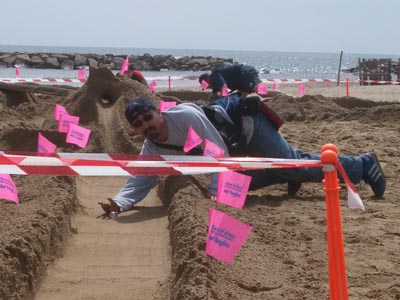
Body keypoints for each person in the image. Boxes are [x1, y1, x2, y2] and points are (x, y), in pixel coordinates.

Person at [98, 95, 386, 217]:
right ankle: (283, 173)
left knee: (293, 165)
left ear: (158, 112)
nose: (146, 126)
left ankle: (361, 165)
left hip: (248, 128)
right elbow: (141, 179)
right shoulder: (152, 147)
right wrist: (119, 204)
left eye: (148, 117)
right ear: (134, 130)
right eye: (138, 124)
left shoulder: (184, 117)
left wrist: (213, 192)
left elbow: (217, 154)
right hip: (231, 148)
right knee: (247, 185)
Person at [199, 64, 282, 98]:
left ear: (207, 79)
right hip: (242, 84)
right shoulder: (215, 84)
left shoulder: (215, 74)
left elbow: (224, 88)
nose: (208, 87)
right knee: (239, 98)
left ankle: (285, 96)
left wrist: (222, 100)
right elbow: (214, 94)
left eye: (206, 85)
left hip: (245, 73)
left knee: (262, 92)